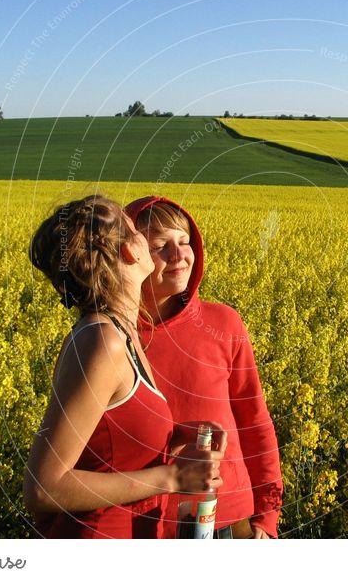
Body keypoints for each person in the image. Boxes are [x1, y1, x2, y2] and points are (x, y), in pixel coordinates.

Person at [24, 194, 225, 538]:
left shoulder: (122, 333)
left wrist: (176, 436)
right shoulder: (103, 342)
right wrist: (173, 478)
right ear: (131, 252)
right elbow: (43, 487)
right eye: (136, 231)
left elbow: (105, 447)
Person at [124, 196, 283, 539]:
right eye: (160, 246)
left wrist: (267, 514)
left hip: (229, 518)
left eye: (184, 242)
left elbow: (255, 420)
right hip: (144, 525)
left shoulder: (223, 323)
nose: (178, 255)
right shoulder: (112, 337)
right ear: (129, 255)